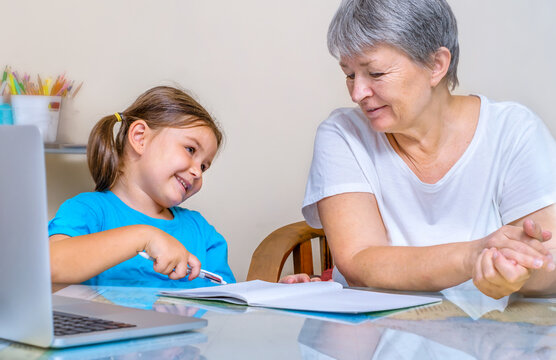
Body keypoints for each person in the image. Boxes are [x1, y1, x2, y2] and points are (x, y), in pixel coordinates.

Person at [301, 0, 556, 300]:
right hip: (375, 337)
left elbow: (547, 265)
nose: (358, 93)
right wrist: (472, 257)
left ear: (436, 65)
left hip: (494, 339)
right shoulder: (343, 134)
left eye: (376, 73)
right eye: (349, 74)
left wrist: (516, 275)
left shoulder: (514, 130)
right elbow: (359, 261)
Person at [49, 86, 235, 288]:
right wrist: (144, 236)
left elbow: (231, 301)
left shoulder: (203, 232)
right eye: (190, 150)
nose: (197, 172)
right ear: (140, 137)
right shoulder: (88, 210)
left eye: (204, 166)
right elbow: (51, 266)